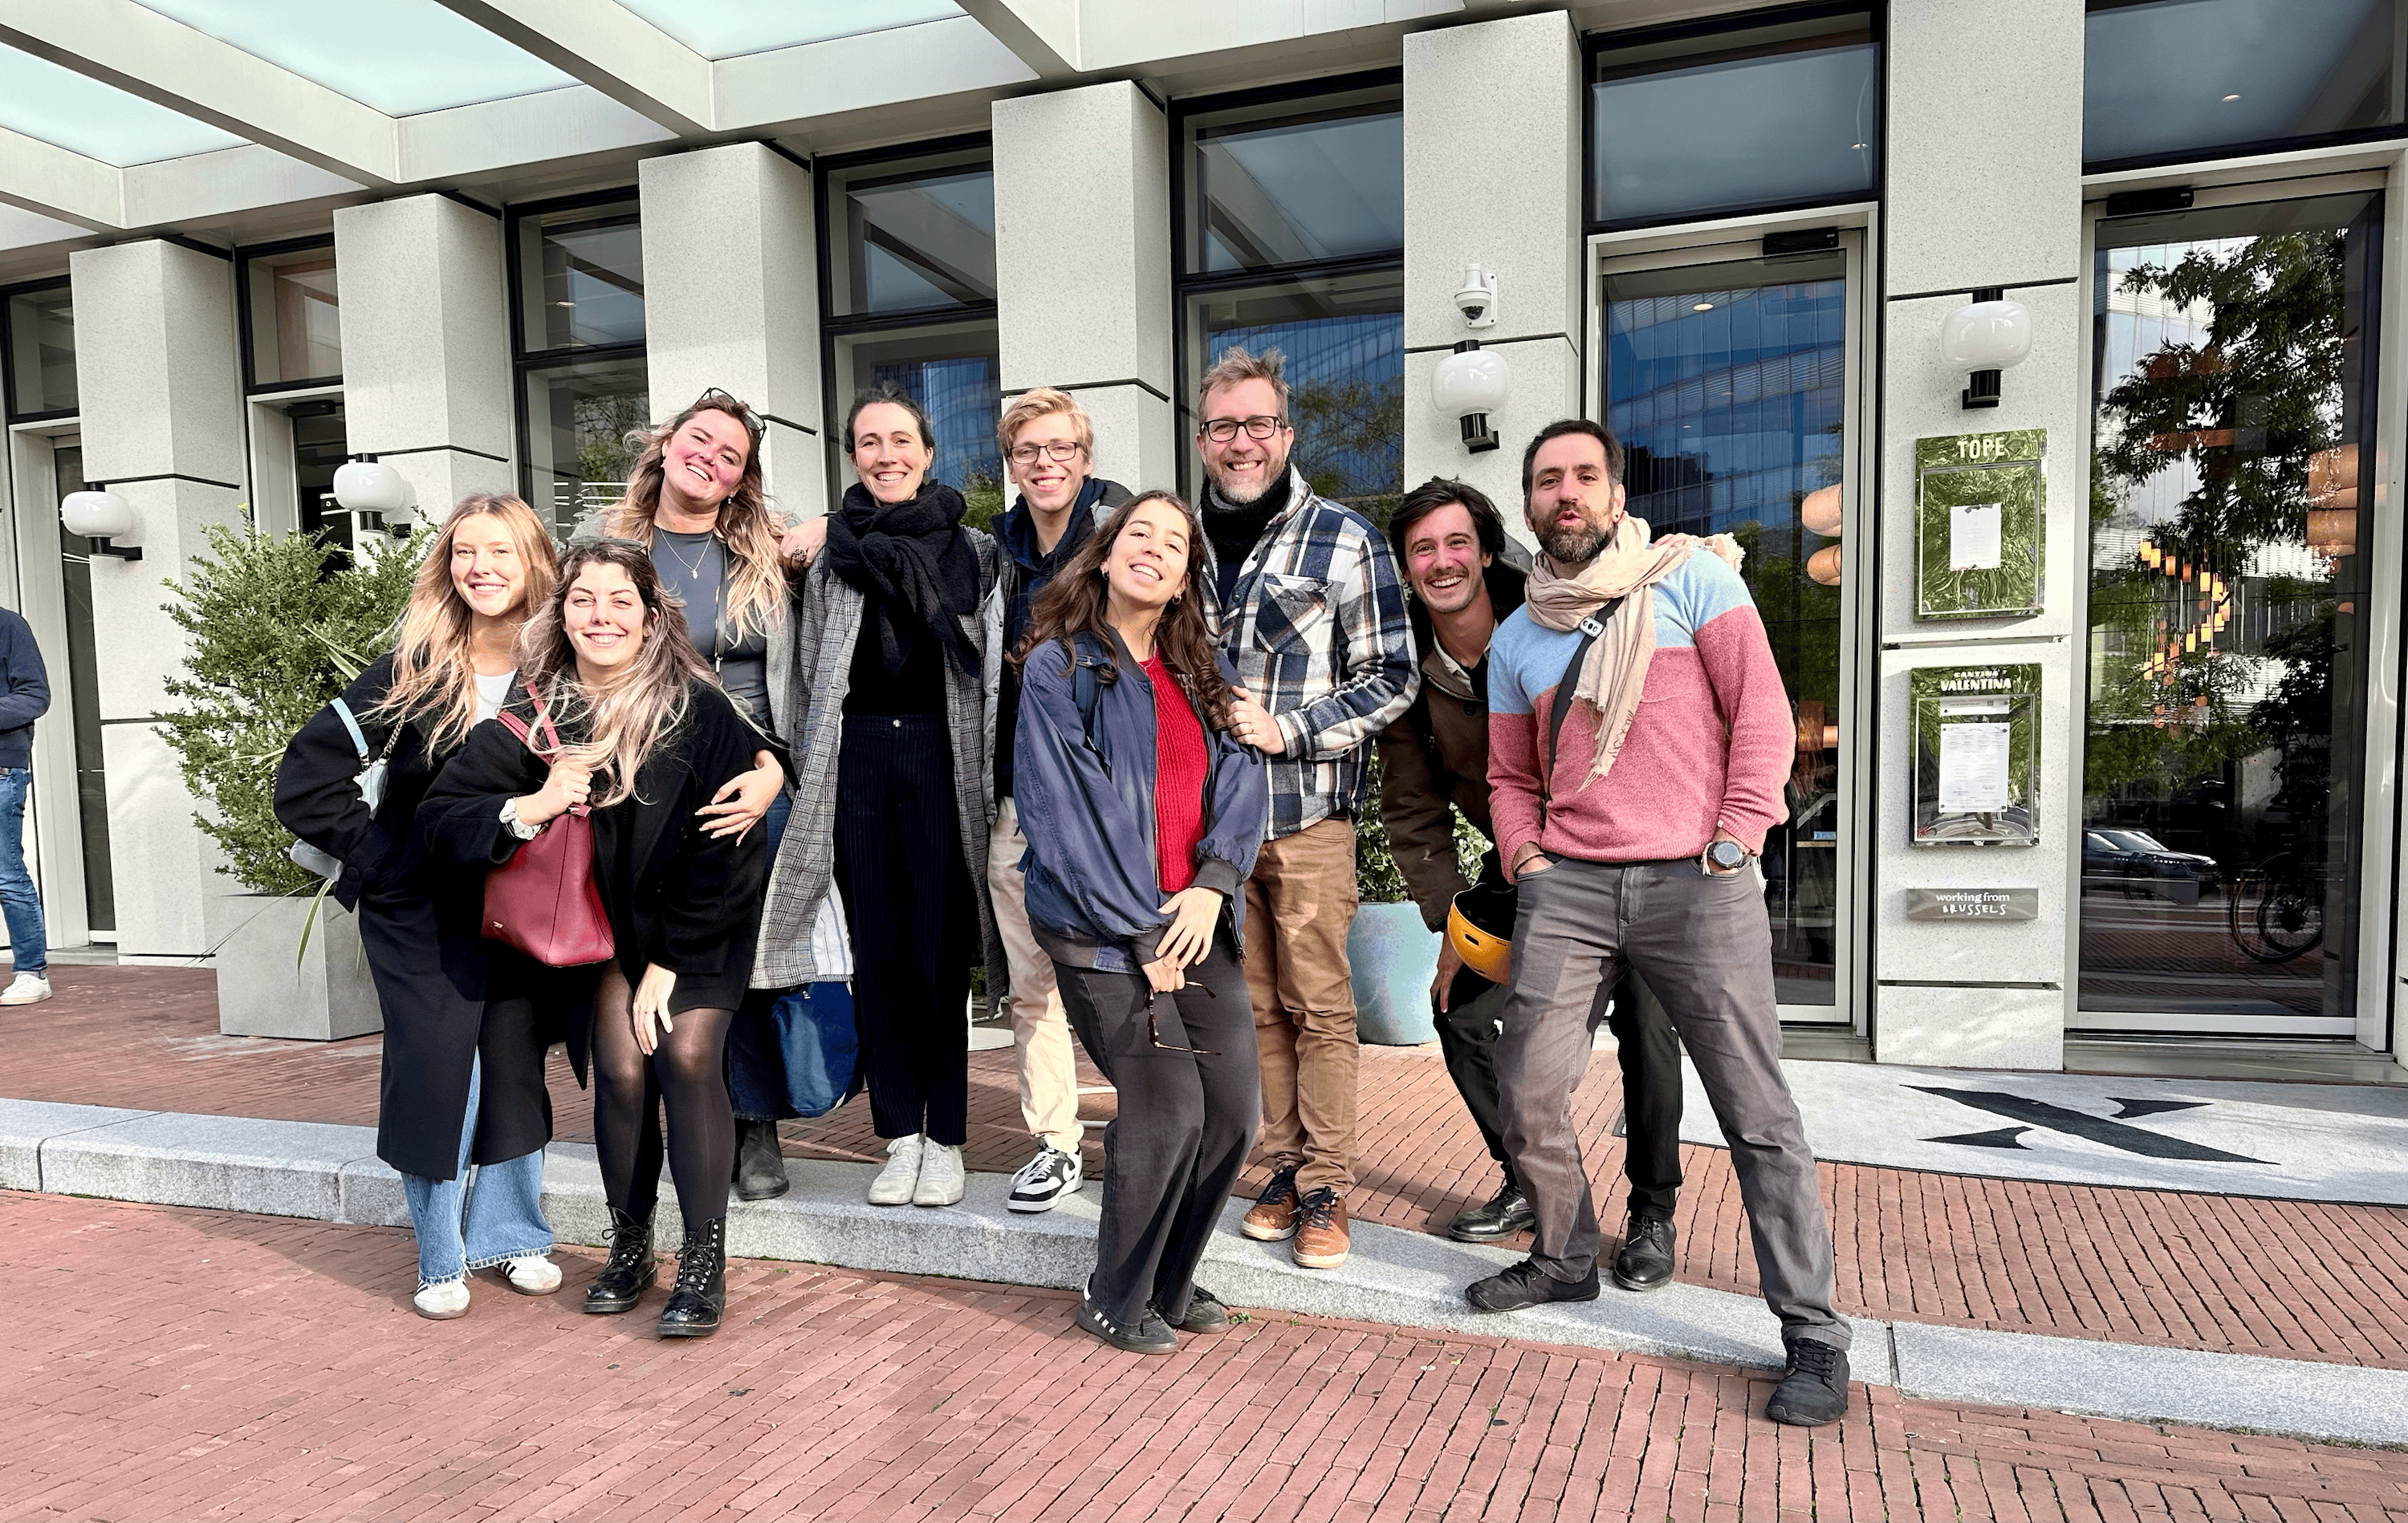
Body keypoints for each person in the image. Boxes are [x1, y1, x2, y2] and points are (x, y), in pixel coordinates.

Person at [1471, 419, 1851, 1428]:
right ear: (1529, 502)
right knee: (1528, 1084)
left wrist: (1735, 838)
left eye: (1584, 476)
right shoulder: (1518, 637)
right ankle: (1561, 1256)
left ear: (1615, 492)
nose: (1567, 494)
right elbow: (1511, 775)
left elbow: (1763, 715)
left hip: (1698, 876)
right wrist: (1528, 856)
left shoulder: (1693, 581)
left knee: (1757, 1114)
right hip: (1575, 886)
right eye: (1548, 480)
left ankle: (1812, 1331)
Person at [421, 541, 769, 1338]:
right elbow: (444, 814)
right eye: (584, 599)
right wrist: (533, 803)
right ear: (563, 612)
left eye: (621, 601)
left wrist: (670, 962)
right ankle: (631, 1244)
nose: (601, 615)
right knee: (617, 1066)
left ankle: (703, 1261)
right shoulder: (542, 711)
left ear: (652, 617)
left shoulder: (695, 705)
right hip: (609, 932)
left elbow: (728, 843)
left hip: (700, 922)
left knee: (683, 1054)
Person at [1375, 477, 1686, 1281]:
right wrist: (1454, 922)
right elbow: (1413, 809)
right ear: (1408, 569)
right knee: (1457, 1010)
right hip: (1522, 864)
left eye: (1456, 543)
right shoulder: (1405, 670)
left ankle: (1652, 1209)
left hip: (1626, 857)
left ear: (1485, 551)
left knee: (1647, 1026)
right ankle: (1529, 1180)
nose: (1442, 562)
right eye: (1422, 550)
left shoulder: (1562, 613)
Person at [275, 494, 564, 1320]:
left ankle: (514, 1233)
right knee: (437, 1067)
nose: (482, 566)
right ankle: (442, 1254)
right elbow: (304, 777)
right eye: (466, 551)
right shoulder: (415, 665)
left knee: (511, 1060)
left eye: (501, 551)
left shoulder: (560, 670)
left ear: (534, 561)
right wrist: (384, 862)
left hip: (521, 899)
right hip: (419, 909)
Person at [1012, 490, 1269, 1352]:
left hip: (1195, 916)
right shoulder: (1061, 665)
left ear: (1188, 573)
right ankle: (1114, 1292)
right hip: (1099, 926)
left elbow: (1242, 779)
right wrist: (1143, 930)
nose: (1154, 548)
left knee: (1233, 1113)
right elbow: (1068, 813)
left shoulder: (1206, 668)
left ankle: (1171, 1276)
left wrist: (1213, 882)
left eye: (1175, 542)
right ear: (1107, 551)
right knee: (1167, 1109)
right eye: (1139, 533)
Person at [751, 381, 1008, 1210]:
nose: (886, 455)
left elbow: (996, 674)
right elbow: (795, 666)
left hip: (942, 758)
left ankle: (949, 1136)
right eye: (869, 442)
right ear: (852, 456)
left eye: (901, 440)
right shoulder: (830, 555)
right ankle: (899, 1136)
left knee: (938, 958)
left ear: (928, 453)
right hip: (852, 759)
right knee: (881, 955)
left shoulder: (976, 551)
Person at [586, 386, 845, 1204]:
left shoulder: (765, 554)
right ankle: (673, 1101)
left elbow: (889, 515)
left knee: (752, 944)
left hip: (753, 770)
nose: (710, 458)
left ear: (741, 480)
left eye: (730, 456)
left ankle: (753, 1115)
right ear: (666, 445)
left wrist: (826, 525)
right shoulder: (606, 544)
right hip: (641, 773)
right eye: (700, 441)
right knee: (652, 942)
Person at [1195, 346, 1417, 1273]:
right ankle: (1281, 1167)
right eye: (1223, 427)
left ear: (1285, 433)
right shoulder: (1177, 542)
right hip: (1213, 823)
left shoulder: (1342, 539)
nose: (1241, 442)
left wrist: (1291, 729)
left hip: (1307, 812)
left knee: (1321, 1005)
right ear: (1202, 438)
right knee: (1254, 1007)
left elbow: (1393, 674)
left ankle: (1327, 1184)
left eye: (1258, 424)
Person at [990, 388, 1132, 1213]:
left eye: (1058, 447)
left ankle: (1147, 1116)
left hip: (1108, 799)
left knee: (1121, 968)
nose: (1044, 463)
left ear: (1084, 454)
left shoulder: (1120, 538)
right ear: (1012, 465)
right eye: (1027, 451)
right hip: (1020, 796)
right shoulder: (997, 552)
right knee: (1033, 980)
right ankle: (1056, 1140)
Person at [0, 603, 50, 1007]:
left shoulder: (8, 625)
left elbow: (34, 695)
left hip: (0, 769)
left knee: (5, 873)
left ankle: (31, 973)